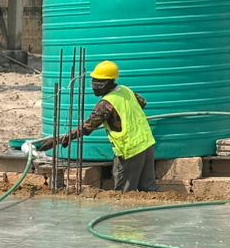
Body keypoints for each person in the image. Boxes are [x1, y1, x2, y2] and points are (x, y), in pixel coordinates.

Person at [39, 60, 157, 192]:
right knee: (148, 190)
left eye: (100, 83)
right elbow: (142, 103)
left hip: (130, 150)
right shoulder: (125, 90)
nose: (95, 87)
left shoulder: (106, 104)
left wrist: (60, 139)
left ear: (111, 81)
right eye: (94, 82)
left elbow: (87, 127)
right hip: (147, 144)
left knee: (124, 192)